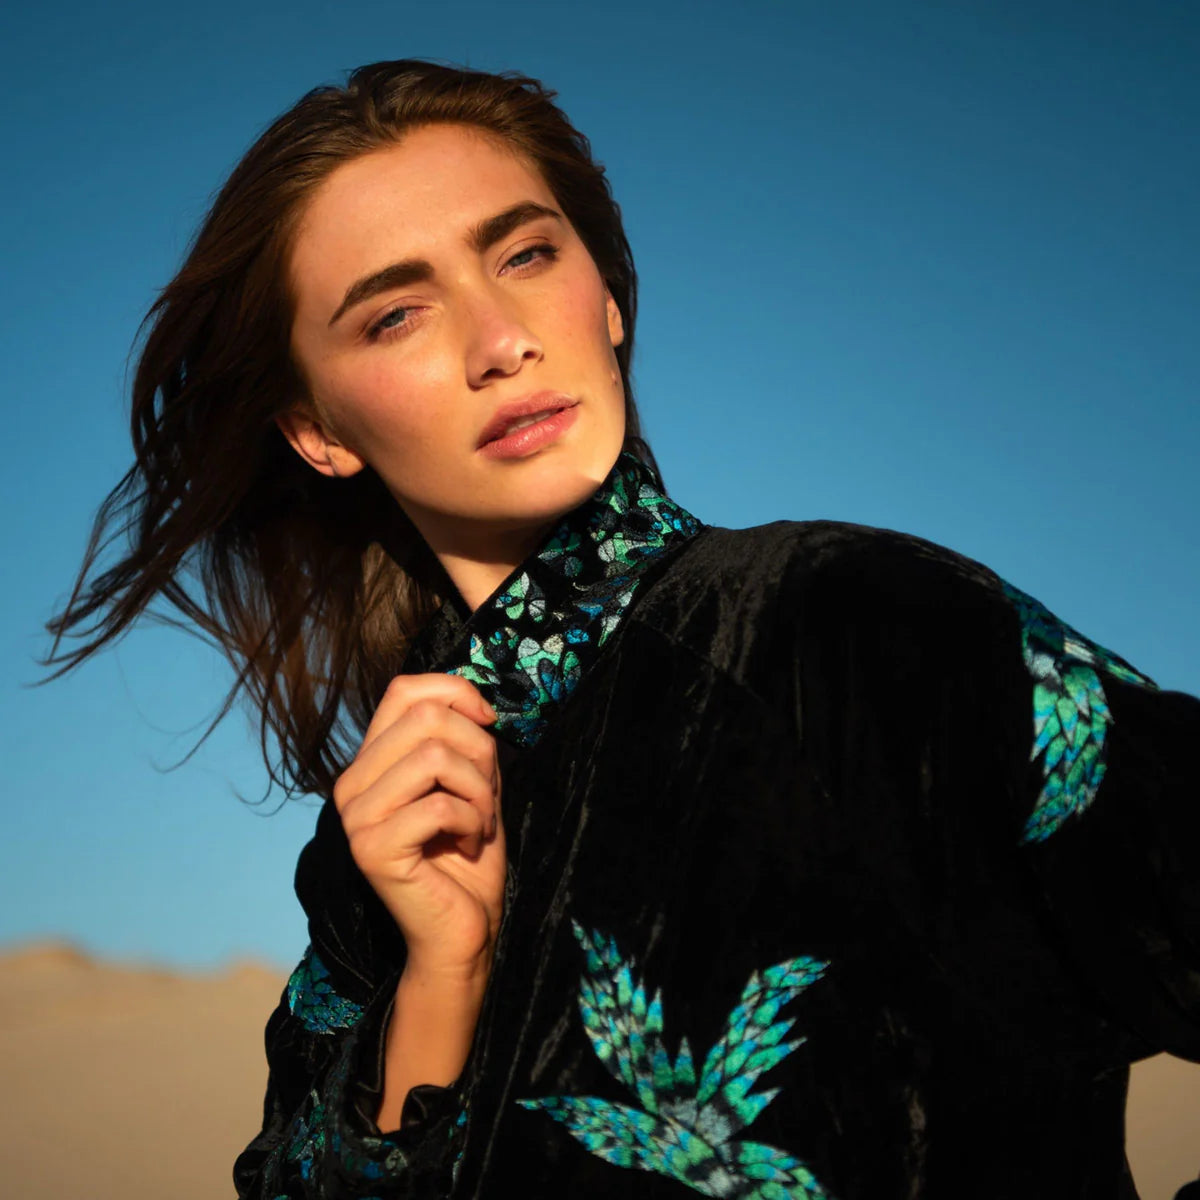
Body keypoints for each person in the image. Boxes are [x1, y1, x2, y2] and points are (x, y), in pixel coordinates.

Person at [46, 59, 1200, 1199]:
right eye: (397, 315)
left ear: (605, 296)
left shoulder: (850, 625)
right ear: (318, 432)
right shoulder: (373, 847)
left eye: (525, 255)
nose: (500, 340)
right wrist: (445, 980)